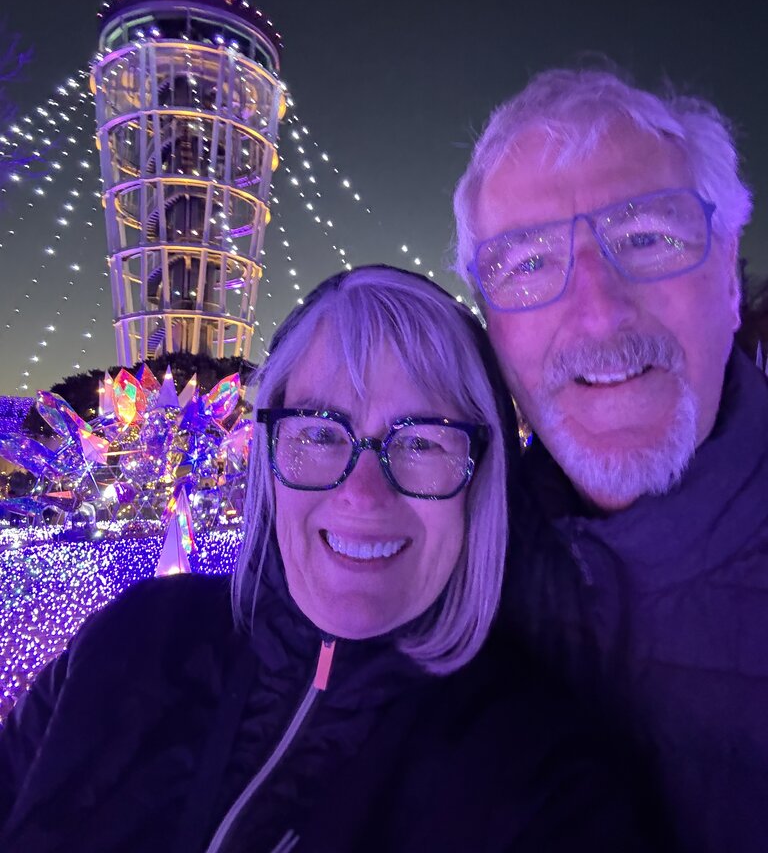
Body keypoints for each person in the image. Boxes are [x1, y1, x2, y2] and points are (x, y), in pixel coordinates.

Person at [0, 265, 663, 853]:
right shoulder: (130, 639)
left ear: (483, 479)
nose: (361, 494)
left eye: (422, 442)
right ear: (269, 454)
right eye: (320, 433)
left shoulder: (539, 779)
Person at [453, 67, 768, 853]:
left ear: (730, 276)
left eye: (647, 239)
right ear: (492, 326)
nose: (598, 315)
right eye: (528, 264)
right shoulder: (458, 567)